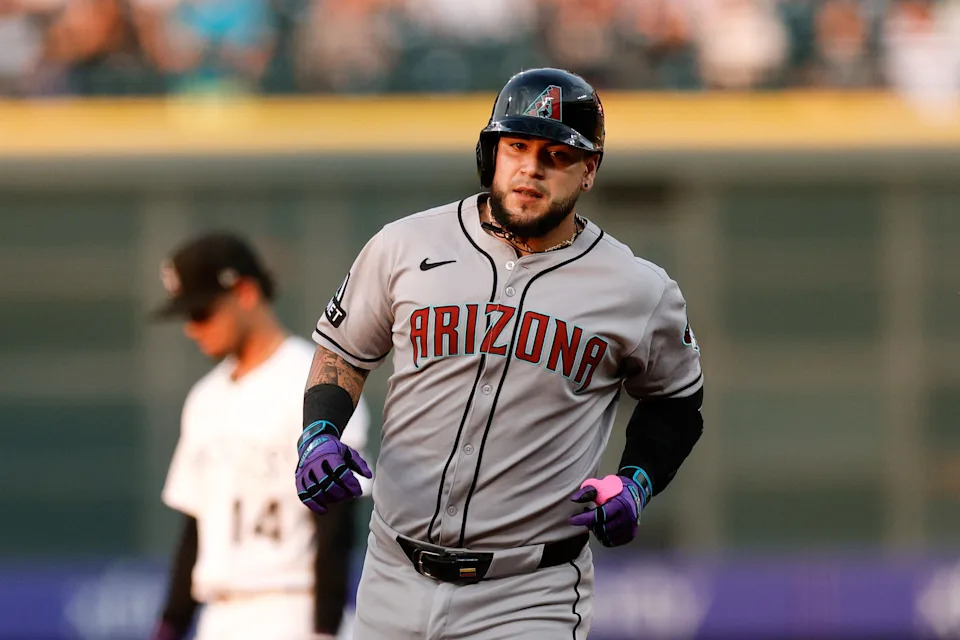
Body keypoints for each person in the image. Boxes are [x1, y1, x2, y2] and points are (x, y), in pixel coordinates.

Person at [294, 67, 704, 639]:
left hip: (529, 594)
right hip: (392, 576)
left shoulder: (637, 288)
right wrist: (318, 433)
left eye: (556, 154)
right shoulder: (405, 245)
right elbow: (344, 352)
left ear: (589, 170)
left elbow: (677, 403)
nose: (531, 167)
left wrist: (636, 481)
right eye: (517, 146)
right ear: (492, 152)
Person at [149, 232, 370, 640]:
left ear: (246, 292)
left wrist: (324, 627)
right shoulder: (204, 398)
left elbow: (337, 522)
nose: (191, 328)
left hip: (292, 609)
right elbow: (196, 529)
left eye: (200, 312)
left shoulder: (314, 385)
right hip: (218, 614)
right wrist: (169, 627)